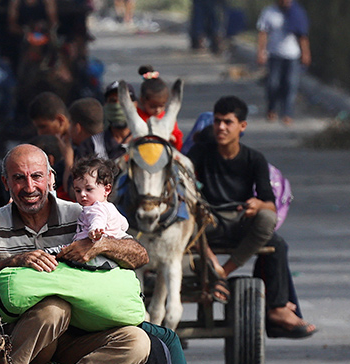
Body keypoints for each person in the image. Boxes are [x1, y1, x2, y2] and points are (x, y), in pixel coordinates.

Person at [0, 144, 151, 364]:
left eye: (37, 176)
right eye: (19, 178)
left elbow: (139, 255)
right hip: (21, 340)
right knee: (53, 308)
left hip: (77, 336)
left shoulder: (84, 214)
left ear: (50, 178)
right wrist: (14, 261)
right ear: (6, 182)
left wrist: (99, 245)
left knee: (137, 342)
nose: (29, 187)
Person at [189, 96, 316, 338]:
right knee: (182, 220)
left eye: (228, 122)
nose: (221, 128)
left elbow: (270, 204)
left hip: (239, 221)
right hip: (208, 224)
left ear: (242, 126)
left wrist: (258, 204)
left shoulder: (254, 159)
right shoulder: (200, 153)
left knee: (274, 237)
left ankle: (271, 305)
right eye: (217, 122)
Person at [257, 0, 310, 125]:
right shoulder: (269, 12)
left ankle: (287, 113)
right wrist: (261, 52)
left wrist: (306, 53)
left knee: (291, 84)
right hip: (275, 55)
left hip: (292, 55)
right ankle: (272, 109)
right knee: (272, 84)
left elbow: (302, 35)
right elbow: (263, 33)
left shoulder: (297, 12)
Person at [134, 65, 183, 151]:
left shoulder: (167, 118)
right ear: (142, 101)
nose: (157, 110)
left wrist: (173, 139)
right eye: (153, 106)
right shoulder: (137, 117)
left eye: (161, 106)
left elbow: (177, 137)